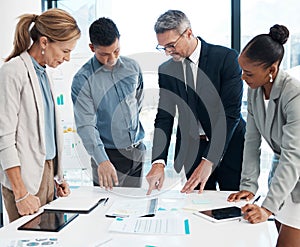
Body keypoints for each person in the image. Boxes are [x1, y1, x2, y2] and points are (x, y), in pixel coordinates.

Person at [146, 10, 246, 195]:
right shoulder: (166, 70)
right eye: (163, 48)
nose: (168, 52)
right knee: (198, 209)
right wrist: (158, 161)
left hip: (230, 145)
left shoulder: (226, 58)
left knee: (232, 206)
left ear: (188, 33)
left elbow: (230, 114)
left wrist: (209, 159)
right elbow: (164, 117)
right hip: (192, 149)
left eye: (171, 45)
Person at [0, 8, 81, 222]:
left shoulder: (44, 74)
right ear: (44, 42)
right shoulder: (12, 71)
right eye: (65, 50)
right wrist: (20, 193)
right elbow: (4, 138)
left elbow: (45, 132)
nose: (67, 58)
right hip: (24, 182)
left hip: (47, 174)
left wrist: (57, 176)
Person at [227, 24, 300, 247]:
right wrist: (249, 186)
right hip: (283, 178)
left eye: (248, 73)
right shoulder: (255, 90)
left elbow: (293, 155)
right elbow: (252, 141)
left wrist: (267, 207)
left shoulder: (294, 93)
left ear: (272, 69)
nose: (242, 77)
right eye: (242, 70)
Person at [71, 17, 145, 189]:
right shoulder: (83, 79)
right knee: (105, 211)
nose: (112, 58)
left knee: (134, 210)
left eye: (116, 51)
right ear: (92, 48)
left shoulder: (133, 67)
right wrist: (102, 160)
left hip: (136, 151)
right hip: (107, 156)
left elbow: (137, 102)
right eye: (104, 54)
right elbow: (86, 125)